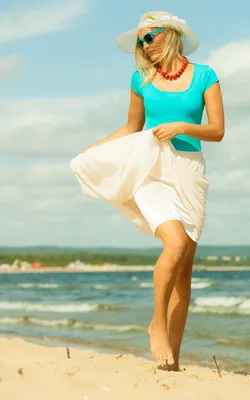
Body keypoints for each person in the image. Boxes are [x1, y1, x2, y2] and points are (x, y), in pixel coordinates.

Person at [73, 11, 224, 370]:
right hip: (150, 167)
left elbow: (217, 130)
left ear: (170, 35)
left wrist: (181, 126)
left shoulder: (205, 75)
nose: (144, 46)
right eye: (140, 41)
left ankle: (172, 360)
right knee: (175, 244)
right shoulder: (140, 80)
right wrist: (91, 151)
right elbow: (131, 126)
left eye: (149, 37)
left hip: (189, 171)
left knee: (184, 271)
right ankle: (156, 323)